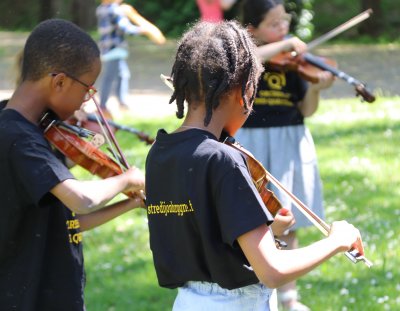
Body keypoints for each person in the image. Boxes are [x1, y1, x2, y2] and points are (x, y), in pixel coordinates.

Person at [145, 20, 364, 311]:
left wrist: (265, 231)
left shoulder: (160, 152)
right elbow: (272, 271)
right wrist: (336, 240)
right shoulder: (224, 159)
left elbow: (205, 239)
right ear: (244, 90)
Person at [0, 19, 145, 310]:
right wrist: (127, 179)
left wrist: (130, 204)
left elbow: (68, 224)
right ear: (60, 81)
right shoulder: (20, 140)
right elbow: (82, 199)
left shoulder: (23, 129)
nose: (86, 101)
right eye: (87, 89)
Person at [235, 1, 335, 310]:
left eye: (284, 22)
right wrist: (284, 42)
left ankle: (289, 299)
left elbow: (305, 110)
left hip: (289, 138)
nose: (283, 29)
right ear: (252, 29)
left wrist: (316, 88)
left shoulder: (293, 62)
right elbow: (246, 58)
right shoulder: (241, 56)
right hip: (250, 141)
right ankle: (256, 294)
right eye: (274, 24)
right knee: (253, 223)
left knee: (286, 219)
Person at [96, 0, 147, 113]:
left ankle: (121, 103)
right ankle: (103, 106)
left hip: (107, 48)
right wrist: (142, 30)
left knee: (122, 75)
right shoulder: (115, 10)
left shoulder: (101, 9)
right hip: (115, 49)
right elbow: (125, 28)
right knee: (110, 77)